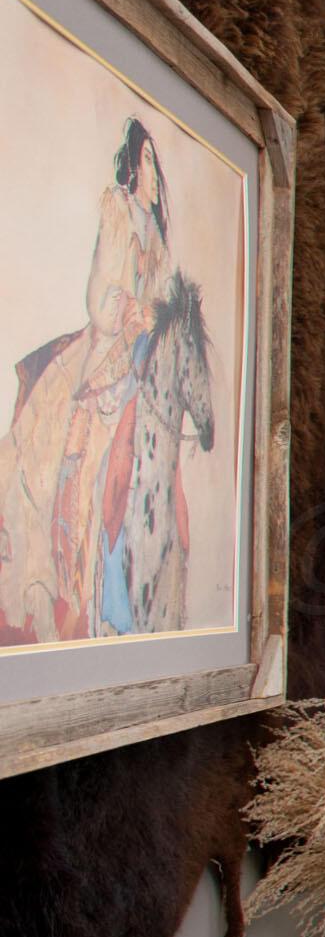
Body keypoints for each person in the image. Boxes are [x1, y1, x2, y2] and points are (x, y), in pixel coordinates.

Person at [0, 119, 174, 640]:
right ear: (132, 163)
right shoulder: (117, 209)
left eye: (156, 164)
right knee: (76, 436)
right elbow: (101, 292)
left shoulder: (158, 238)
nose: (154, 174)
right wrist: (133, 312)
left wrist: (156, 318)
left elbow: (163, 299)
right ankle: (64, 575)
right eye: (146, 161)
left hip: (144, 349)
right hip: (109, 346)